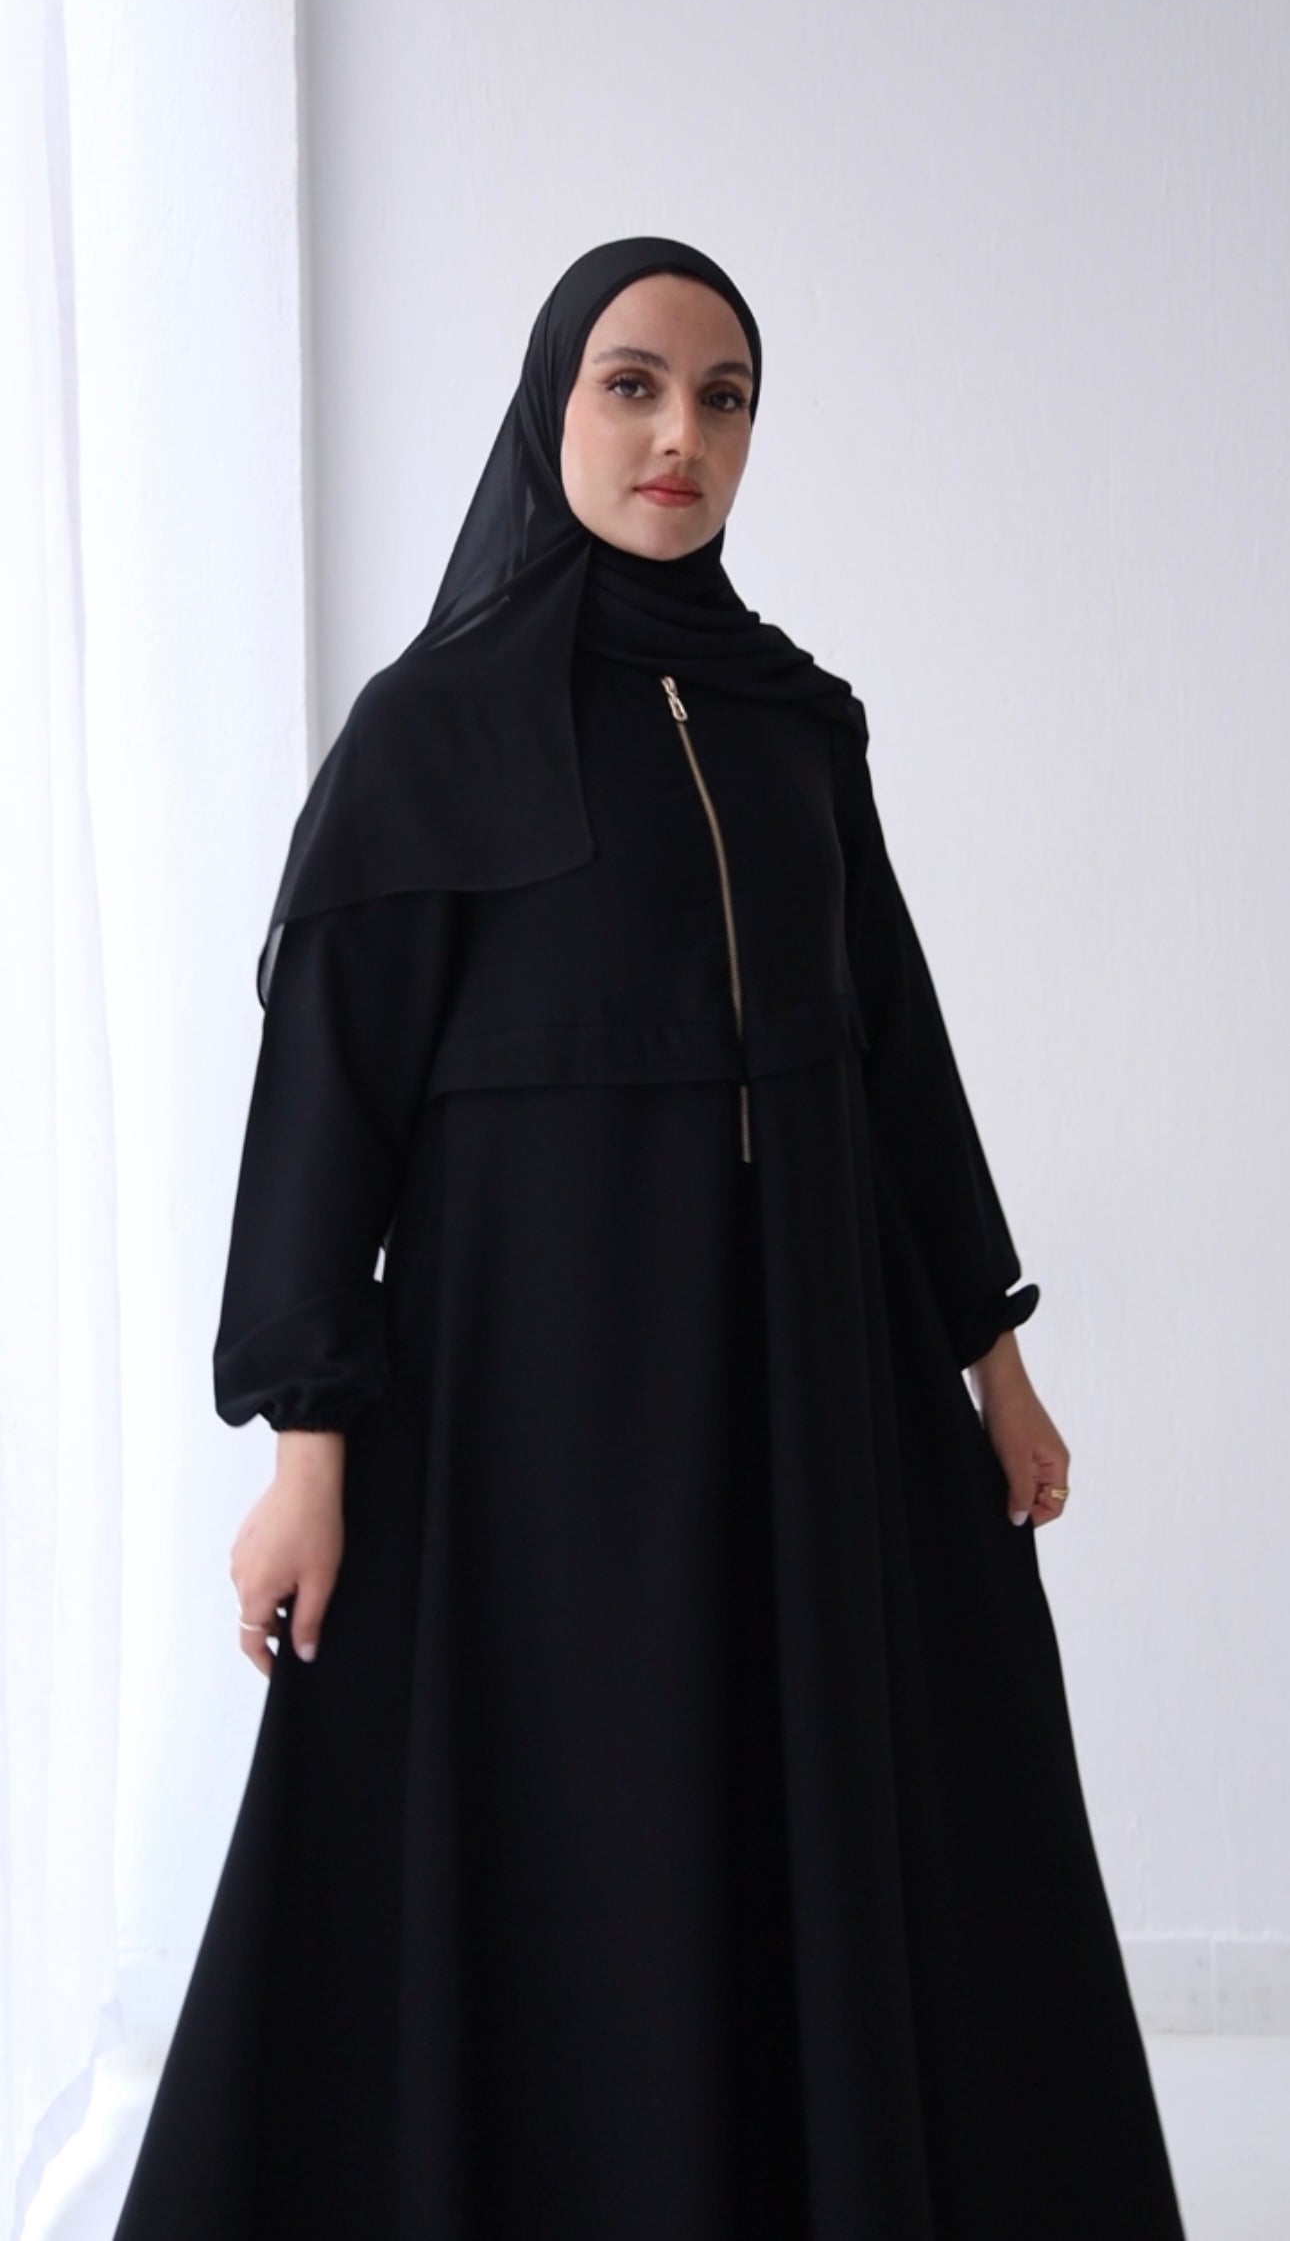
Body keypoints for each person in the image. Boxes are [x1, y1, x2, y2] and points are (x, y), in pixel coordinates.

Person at [111, 236, 1186, 2240]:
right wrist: (303, 1450)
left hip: (806, 1399)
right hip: (535, 1423)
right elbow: (327, 1105)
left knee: (816, 1811)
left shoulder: (796, 727)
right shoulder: (430, 737)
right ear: (554, 406)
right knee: (578, 1828)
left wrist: (998, 1364)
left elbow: (897, 1059)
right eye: (632, 385)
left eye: (723, 395)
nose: (679, 432)